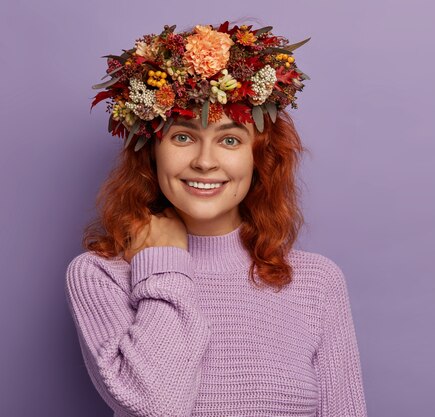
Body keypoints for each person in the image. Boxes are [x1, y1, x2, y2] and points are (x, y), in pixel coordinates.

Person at [64, 20, 368, 417]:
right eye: (183, 136)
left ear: (258, 157)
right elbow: (157, 405)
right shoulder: (99, 276)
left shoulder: (317, 282)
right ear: (151, 153)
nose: (205, 162)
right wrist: (164, 263)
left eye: (229, 140)